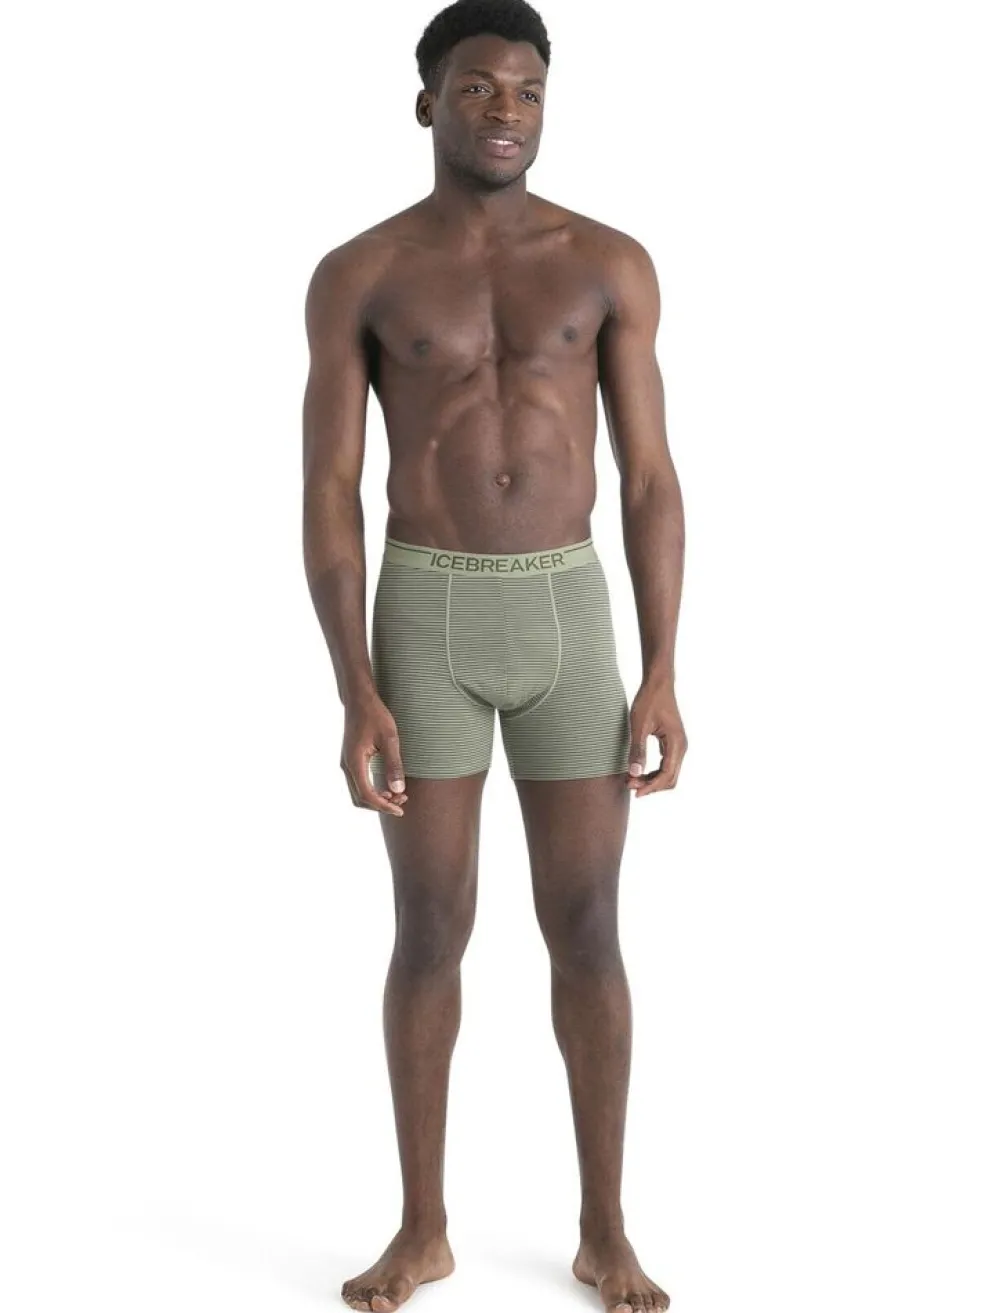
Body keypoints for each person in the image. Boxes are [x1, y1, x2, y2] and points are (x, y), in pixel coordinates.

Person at [302, 2, 686, 1309]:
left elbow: (650, 478)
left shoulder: (607, 263)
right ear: (429, 102)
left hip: (571, 616)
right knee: (430, 927)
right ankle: (422, 1230)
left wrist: (663, 666)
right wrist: (352, 686)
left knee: (588, 925)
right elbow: (329, 490)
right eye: (477, 88)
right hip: (426, 614)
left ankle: (605, 1232)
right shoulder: (361, 273)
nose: (505, 109)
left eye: (525, 90)